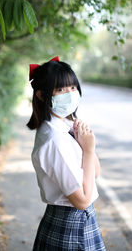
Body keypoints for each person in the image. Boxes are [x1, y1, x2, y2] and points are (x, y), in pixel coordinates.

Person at [27, 56, 106, 251]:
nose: (70, 94)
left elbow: (94, 173)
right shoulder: (54, 139)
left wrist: (87, 147)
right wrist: (88, 150)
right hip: (71, 225)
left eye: (72, 88)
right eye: (61, 89)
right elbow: (82, 201)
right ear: (42, 95)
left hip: (77, 221)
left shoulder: (65, 125)